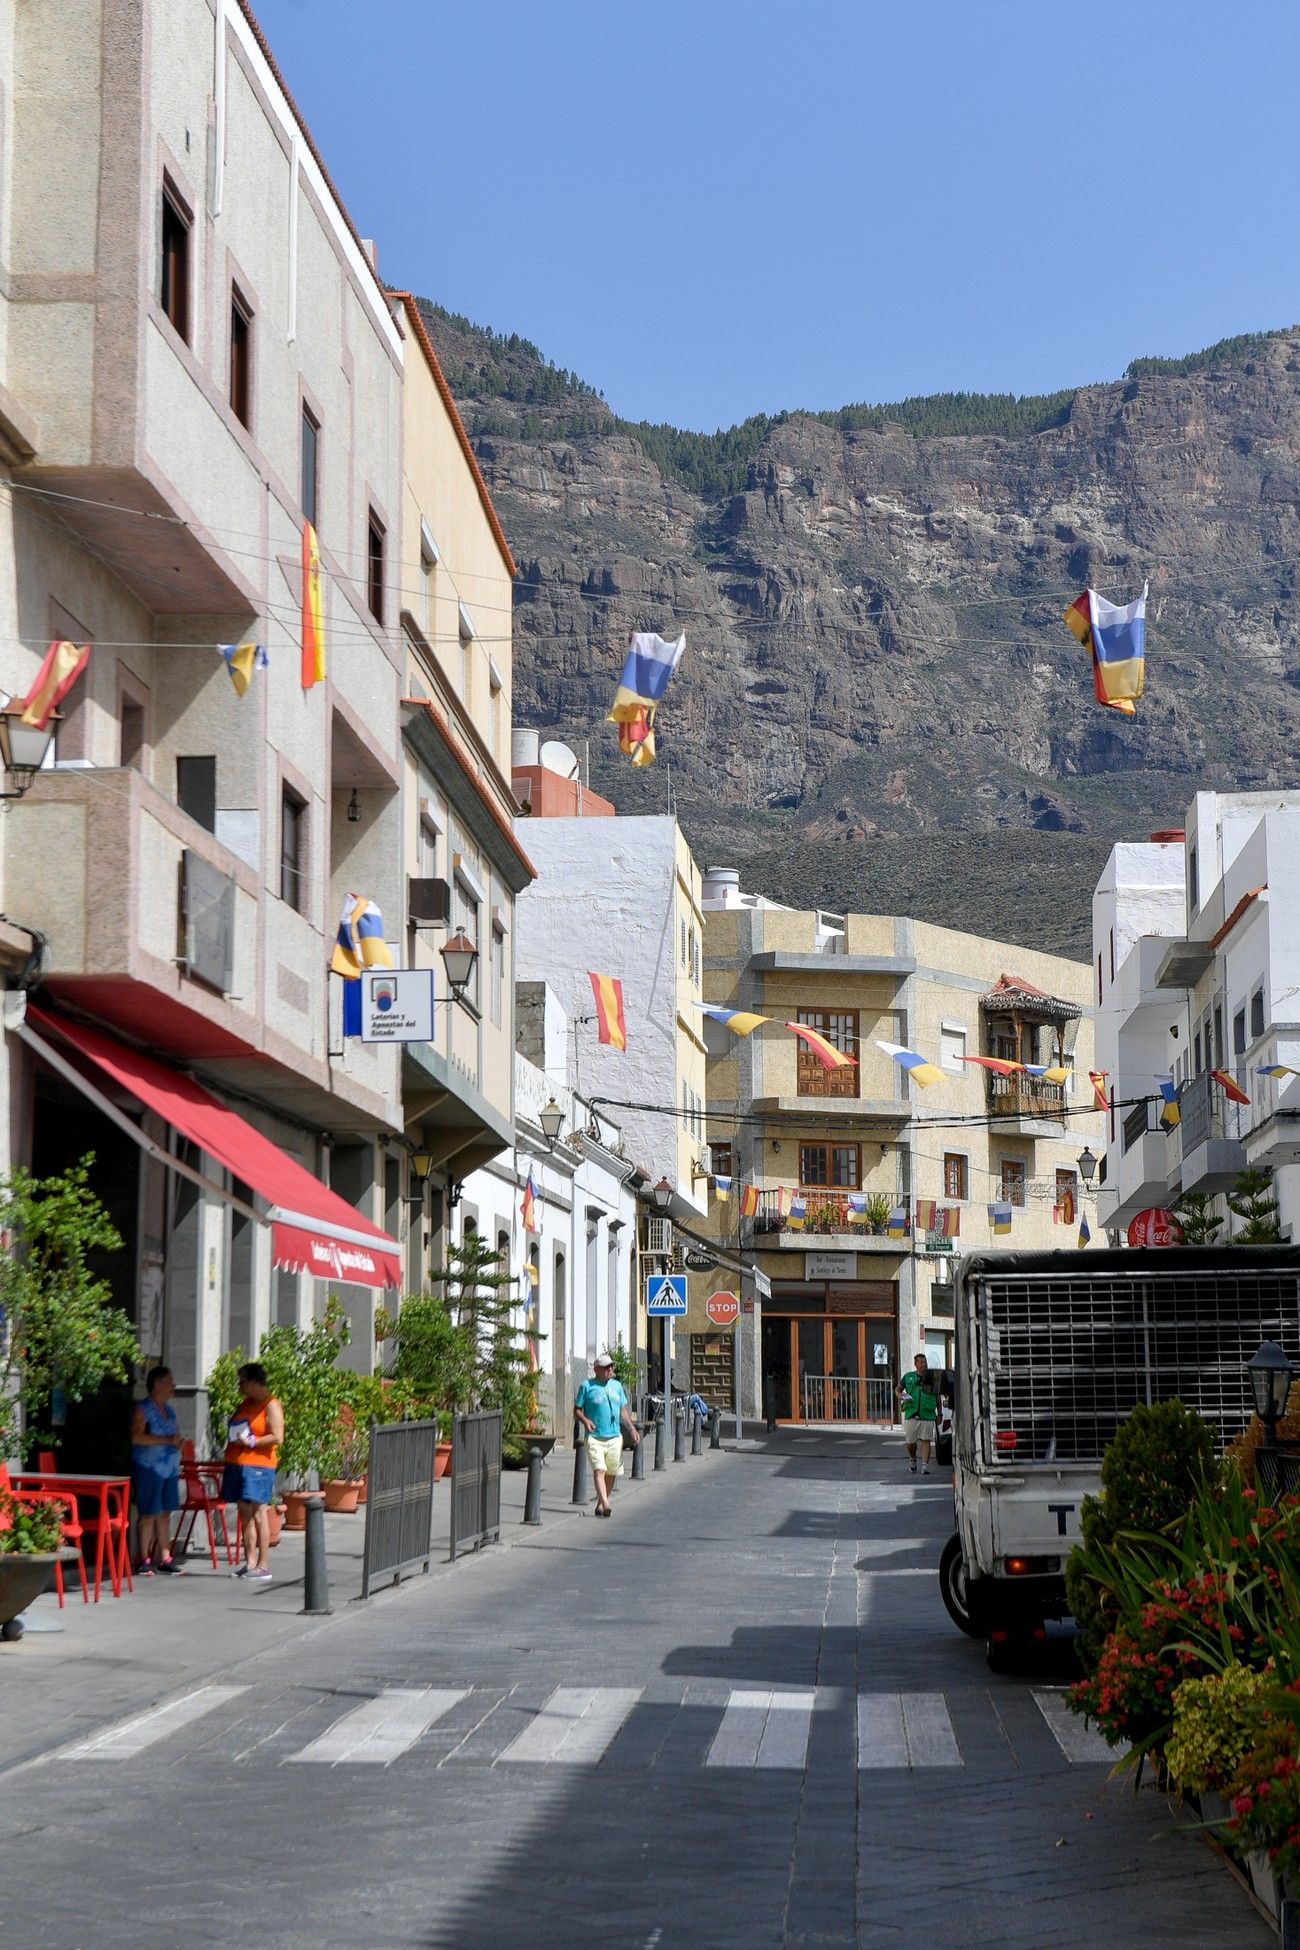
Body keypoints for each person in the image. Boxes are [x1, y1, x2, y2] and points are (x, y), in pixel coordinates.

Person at [221, 1362, 284, 1582]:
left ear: (256, 1382)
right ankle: (250, 1563)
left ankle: (263, 1564)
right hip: (238, 1464)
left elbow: (277, 1436)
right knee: (244, 1513)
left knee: (259, 1512)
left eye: (243, 1382)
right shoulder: (245, 1404)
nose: (240, 1386)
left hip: (259, 1466)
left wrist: (252, 1441)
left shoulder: (271, 1405)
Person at [130, 1365, 184, 1575]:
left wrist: (177, 1442)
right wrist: (166, 1440)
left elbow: (175, 1433)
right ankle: (144, 1558)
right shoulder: (143, 1409)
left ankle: (165, 1557)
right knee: (149, 1514)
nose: (173, 1385)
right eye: (170, 1381)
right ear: (157, 1384)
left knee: (164, 1514)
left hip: (169, 1469)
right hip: (149, 1468)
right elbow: (136, 1436)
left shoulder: (169, 1410)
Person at [574, 1352, 640, 1518]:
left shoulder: (617, 1386)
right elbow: (576, 1410)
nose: (610, 1369)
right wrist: (585, 1420)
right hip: (595, 1436)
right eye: (606, 1367)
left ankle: (600, 1504)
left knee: (611, 1472)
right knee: (599, 1471)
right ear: (596, 1369)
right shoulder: (586, 1386)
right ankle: (607, 1503)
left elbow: (622, 1410)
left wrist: (631, 1428)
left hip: (614, 1436)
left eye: (611, 1366)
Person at [897, 1351, 938, 1475]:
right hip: (912, 1414)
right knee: (910, 1443)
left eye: (925, 1362)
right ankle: (913, 1457)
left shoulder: (932, 1378)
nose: (924, 1364)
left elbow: (937, 1396)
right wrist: (900, 1396)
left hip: (927, 1414)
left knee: (926, 1440)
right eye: (921, 1362)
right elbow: (898, 1389)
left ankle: (924, 1466)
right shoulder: (908, 1377)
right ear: (915, 1364)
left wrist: (939, 1413)